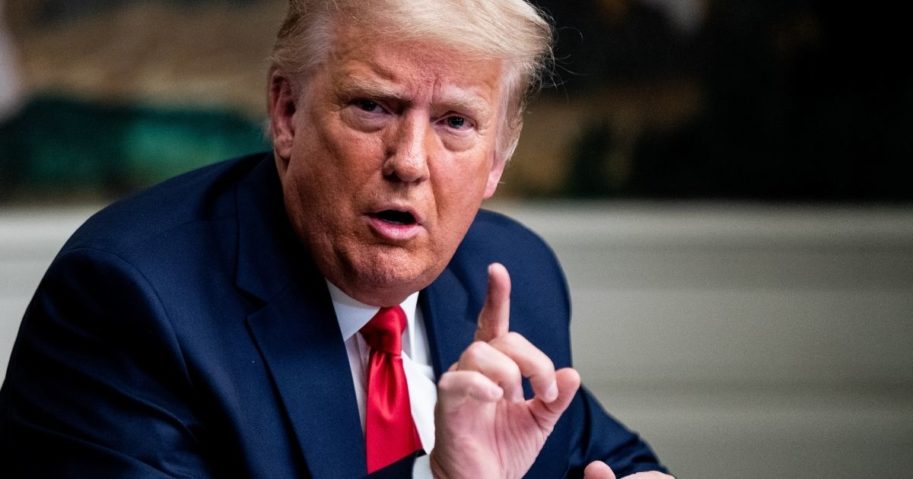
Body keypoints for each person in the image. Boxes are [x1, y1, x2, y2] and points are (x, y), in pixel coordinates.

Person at [0, 1, 672, 477]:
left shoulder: (509, 275)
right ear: (286, 112)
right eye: (373, 106)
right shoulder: (129, 300)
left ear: (497, 157)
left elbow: (606, 455)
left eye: (455, 121)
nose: (409, 160)